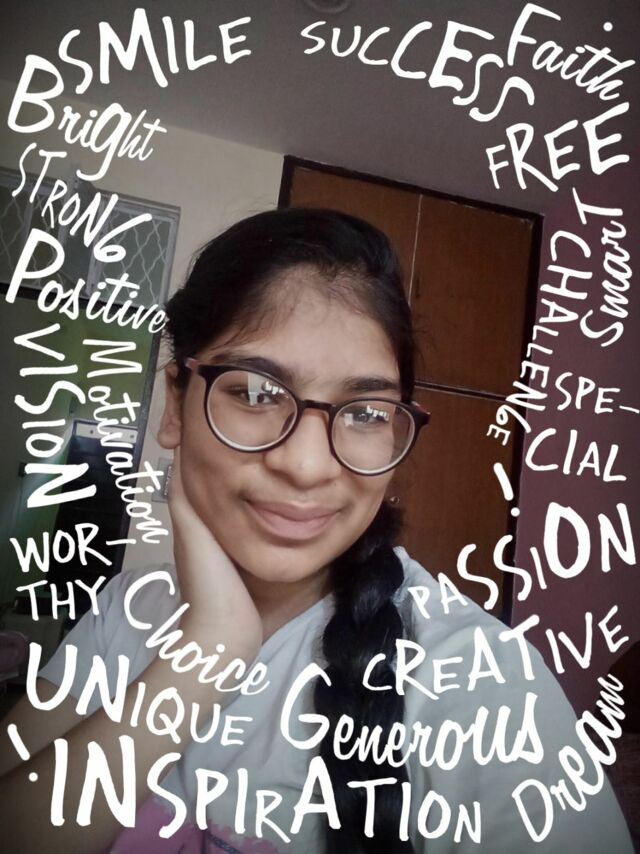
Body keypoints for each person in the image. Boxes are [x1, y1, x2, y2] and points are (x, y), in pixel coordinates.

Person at [0, 209, 633, 853]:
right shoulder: (126, 612)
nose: (306, 465)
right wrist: (210, 648)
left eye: (365, 412)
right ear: (176, 404)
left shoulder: (480, 680)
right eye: (255, 393)